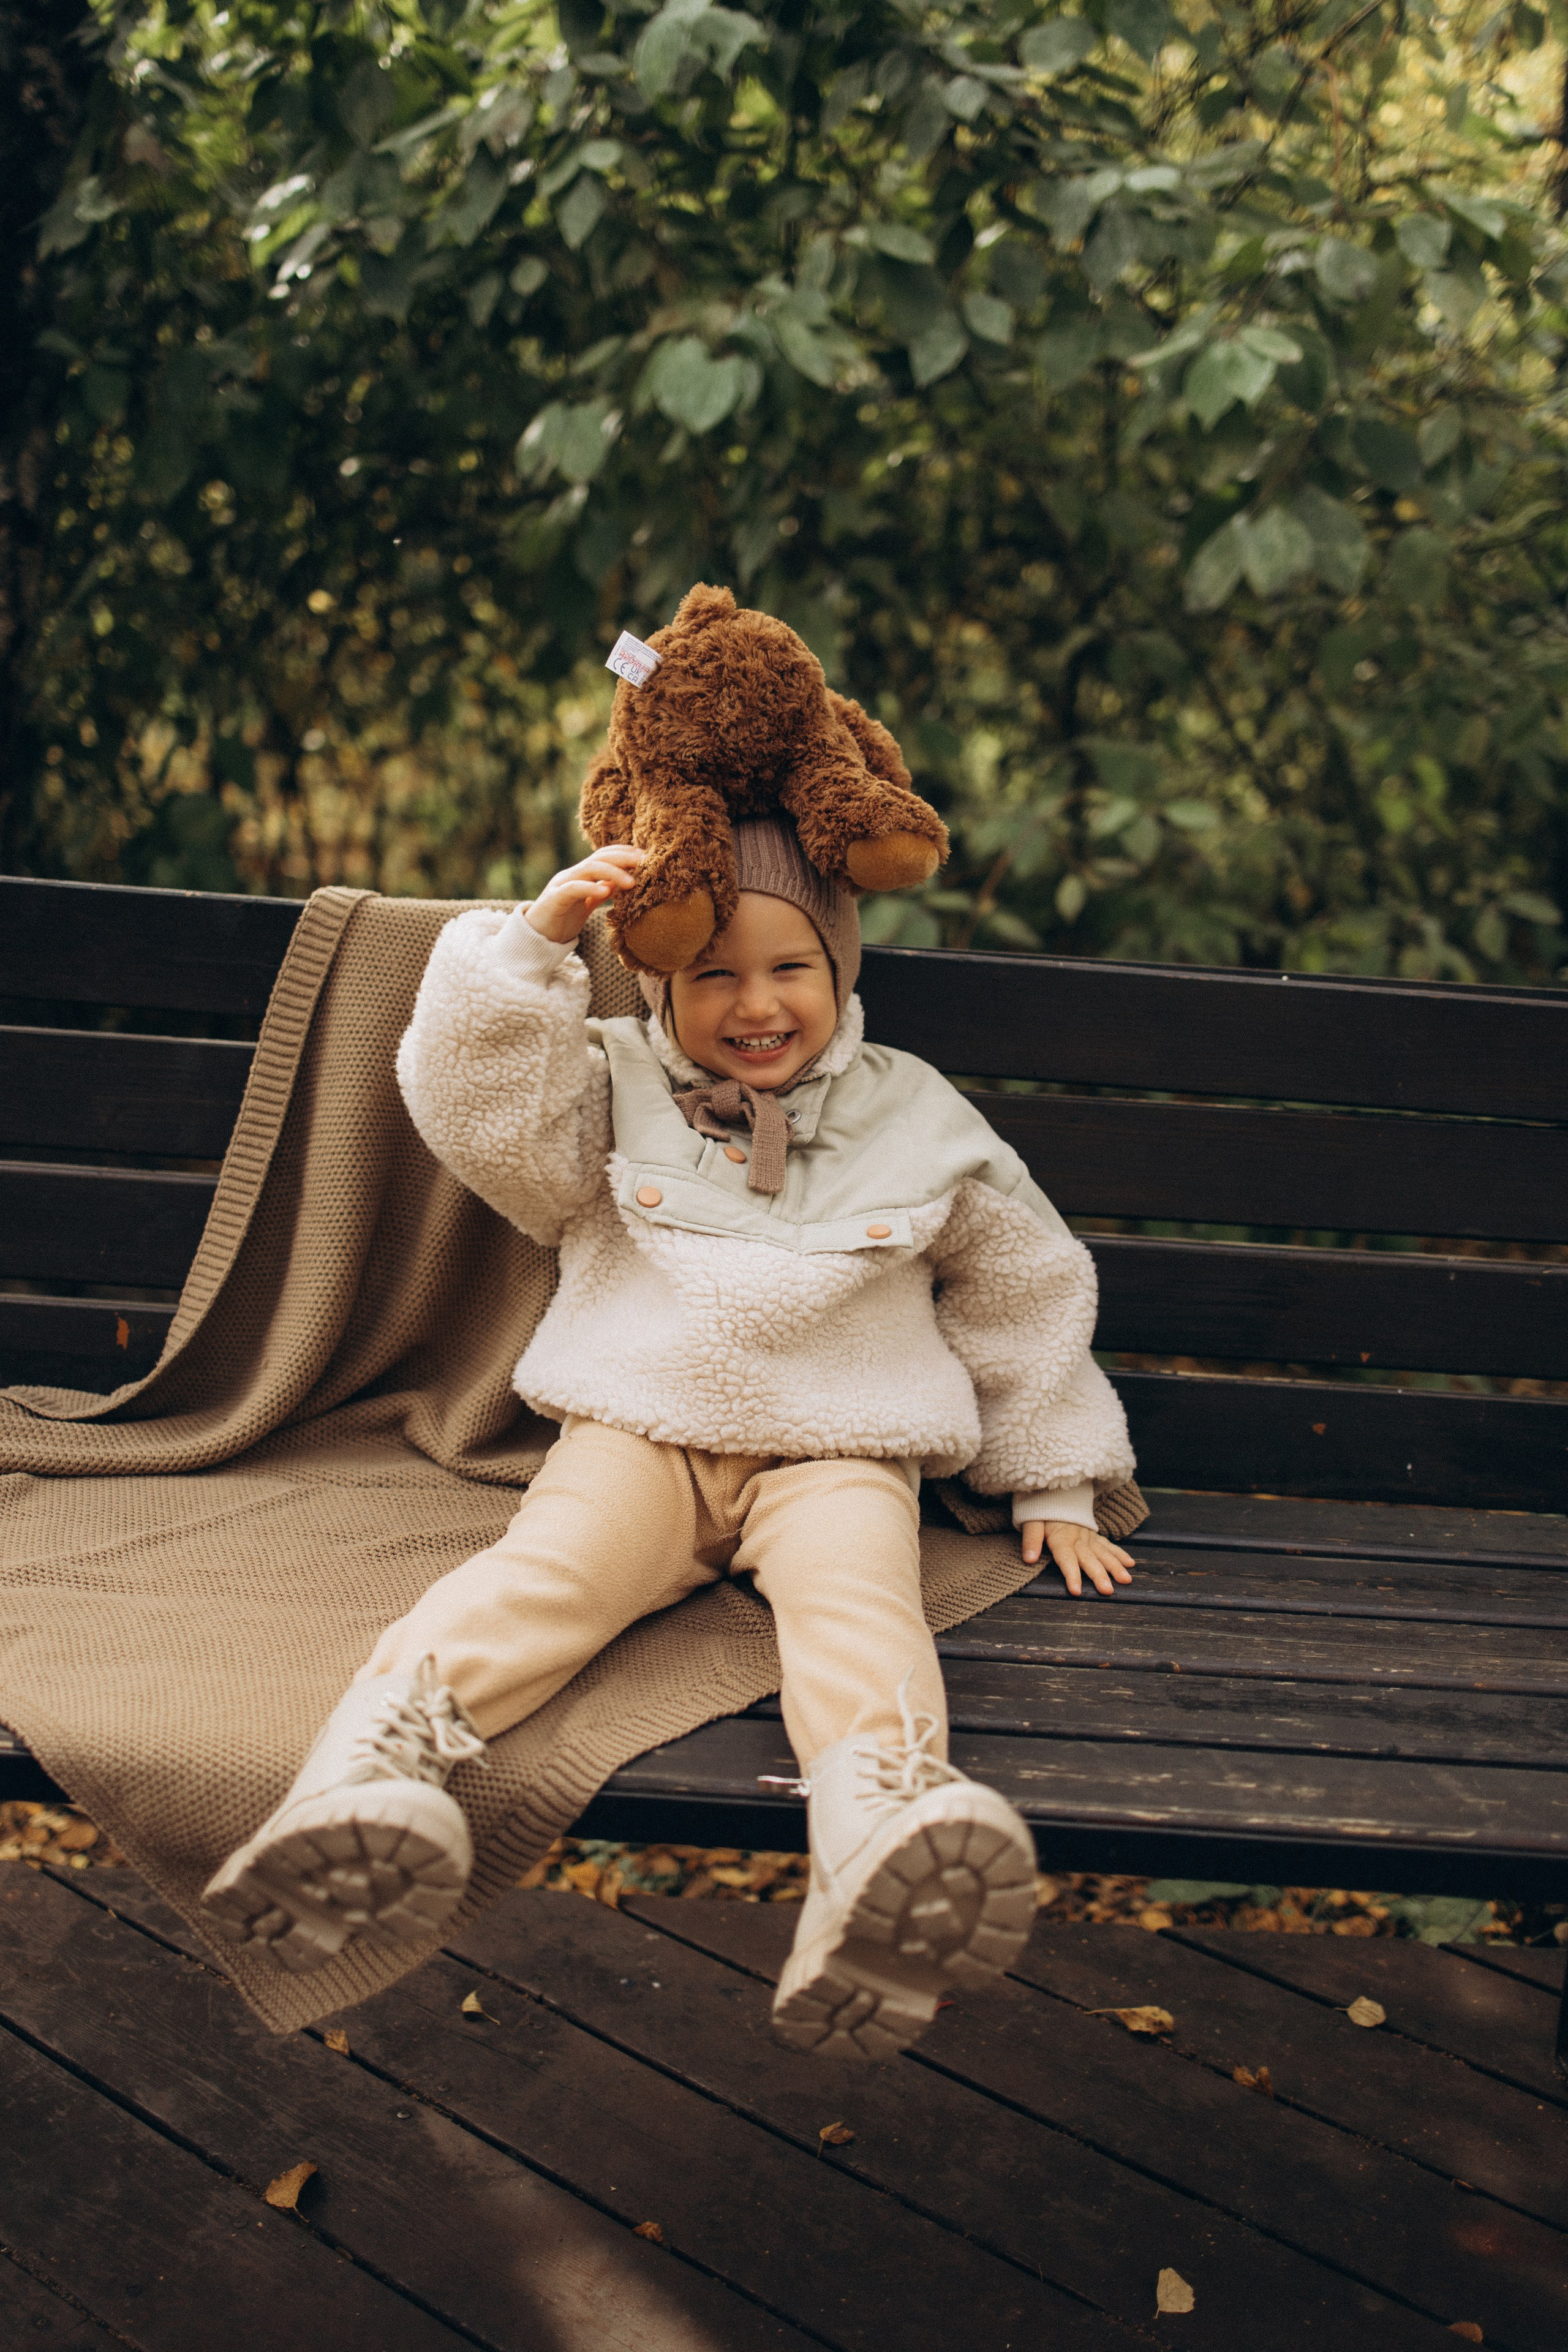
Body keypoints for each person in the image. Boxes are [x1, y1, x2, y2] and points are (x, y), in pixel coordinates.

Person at [202, 817, 1137, 2056]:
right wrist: (530, 950)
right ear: (658, 985)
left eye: (789, 967)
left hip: (838, 1448)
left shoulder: (915, 1111)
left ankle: (877, 1838)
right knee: (547, 1578)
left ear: (840, 964)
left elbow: (1023, 1283)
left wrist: (1052, 1475)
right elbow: (479, 1117)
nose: (755, 1004)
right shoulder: (604, 1081)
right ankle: (367, 1772)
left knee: (860, 1609)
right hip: (643, 1433)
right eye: (712, 974)